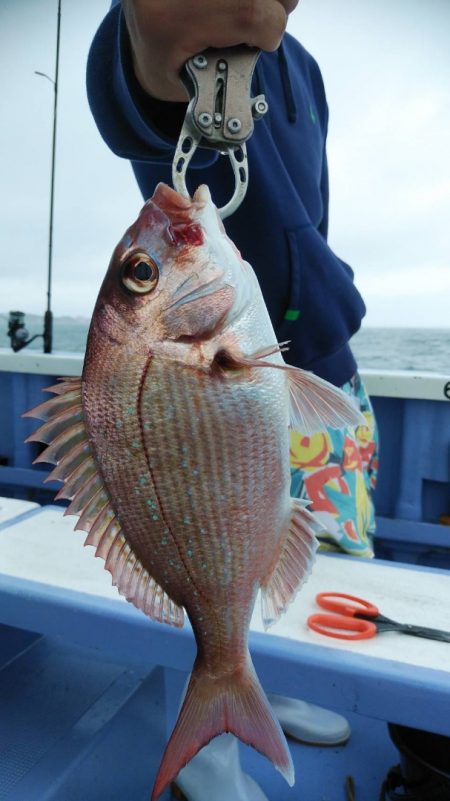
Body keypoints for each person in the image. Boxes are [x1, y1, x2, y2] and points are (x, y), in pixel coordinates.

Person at [86, 2, 379, 799]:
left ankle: (274, 683)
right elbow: (133, 88)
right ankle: (210, 744)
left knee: (323, 550)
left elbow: (308, 208)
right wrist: (147, 47)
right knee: (218, 565)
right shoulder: (179, 20)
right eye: (141, 275)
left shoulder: (305, 69)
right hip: (249, 365)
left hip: (321, 358)